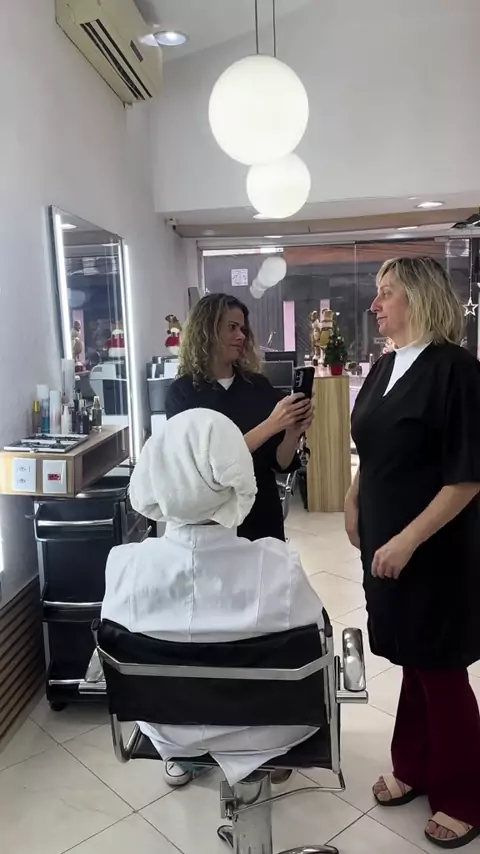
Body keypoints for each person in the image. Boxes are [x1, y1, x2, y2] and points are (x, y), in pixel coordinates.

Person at [102, 408, 325, 789]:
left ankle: (188, 760)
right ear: (236, 472)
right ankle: (261, 763)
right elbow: (316, 644)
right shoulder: (278, 565)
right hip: (269, 729)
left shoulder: (125, 566)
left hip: (166, 727)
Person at [345, 256, 480, 848]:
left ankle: (464, 795)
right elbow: (374, 446)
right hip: (385, 539)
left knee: (441, 668)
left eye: (388, 293)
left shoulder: (457, 370)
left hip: (435, 546)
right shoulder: (384, 366)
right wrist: (353, 496)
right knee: (411, 656)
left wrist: (407, 538)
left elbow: (466, 477)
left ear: (419, 298)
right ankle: (414, 765)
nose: (375, 304)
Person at [165, 293, 313, 543]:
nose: (241, 336)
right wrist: (271, 425)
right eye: (232, 327)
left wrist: (292, 431)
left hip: (261, 516)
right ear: (207, 331)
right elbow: (206, 465)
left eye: (243, 329)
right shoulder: (182, 394)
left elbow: (280, 462)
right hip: (210, 522)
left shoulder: (258, 387)